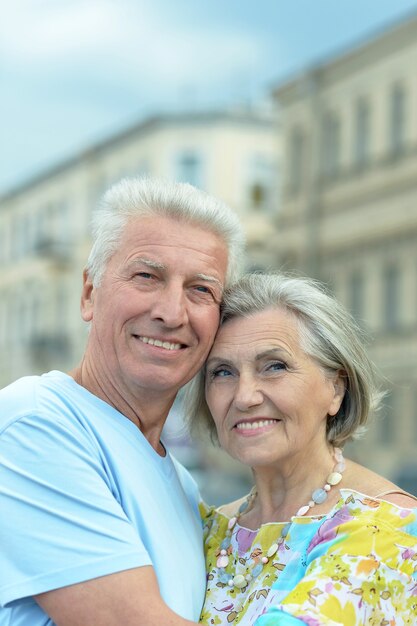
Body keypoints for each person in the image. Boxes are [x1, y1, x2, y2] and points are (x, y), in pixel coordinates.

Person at [0, 176, 245, 626]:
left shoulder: (182, 485)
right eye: (147, 276)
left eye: (201, 290)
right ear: (90, 293)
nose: (171, 313)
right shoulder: (33, 423)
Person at [183, 272, 417, 625]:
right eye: (223, 372)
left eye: (274, 366)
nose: (244, 396)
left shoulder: (389, 531)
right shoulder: (211, 530)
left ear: (335, 390)